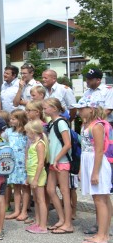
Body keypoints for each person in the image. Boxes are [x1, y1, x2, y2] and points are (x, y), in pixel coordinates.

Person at [74, 98, 113, 243]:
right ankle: (103, 233)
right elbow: (85, 149)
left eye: (82, 108)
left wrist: (95, 173)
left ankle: (102, 236)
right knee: (101, 198)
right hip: (89, 162)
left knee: (100, 199)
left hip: (97, 164)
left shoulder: (96, 126)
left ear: (91, 109)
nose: (79, 111)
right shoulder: (86, 125)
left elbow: (99, 150)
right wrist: (81, 169)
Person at [44, 98, 74, 234]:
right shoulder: (52, 123)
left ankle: (68, 223)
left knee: (64, 192)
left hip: (61, 161)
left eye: (46, 108)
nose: (44, 110)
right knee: (50, 189)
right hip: (54, 162)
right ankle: (62, 219)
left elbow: (67, 144)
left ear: (54, 108)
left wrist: (56, 158)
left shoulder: (61, 122)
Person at [24, 119, 49, 234]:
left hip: (37, 175)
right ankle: (38, 222)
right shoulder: (33, 143)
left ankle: (43, 225)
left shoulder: (40, 144)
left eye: (27, 132)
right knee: (36, 200)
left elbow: (41, 163)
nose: (27, 134)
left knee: (41, 200)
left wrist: (35, 179)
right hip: (32, 174)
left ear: (33, 132)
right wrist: (28, 177)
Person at [4, 110, 29, 222]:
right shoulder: (9, 131)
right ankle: (16, 210)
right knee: (16, 186)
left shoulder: (26, 131)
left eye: (13, 119)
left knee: (25, 186)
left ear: (20, 119)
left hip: (23, 162)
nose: (11, 121)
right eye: (10, 119)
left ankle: (24, 211)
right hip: (12, 162)